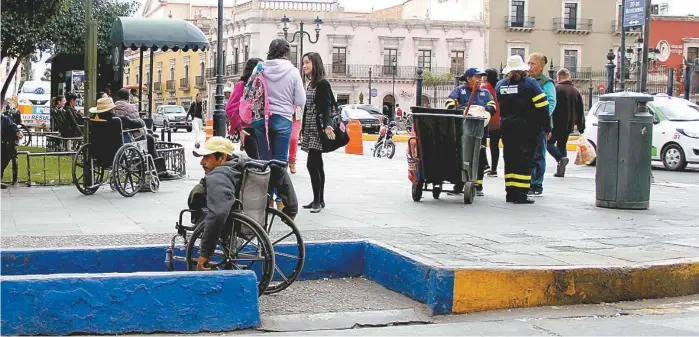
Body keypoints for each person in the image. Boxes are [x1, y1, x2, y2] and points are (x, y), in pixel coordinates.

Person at [190, 136, 298, 271]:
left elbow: (218, 214)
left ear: (222, 157)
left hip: (229, 221)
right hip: (253, 216)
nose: (202, 162)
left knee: (200, 201)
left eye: (207, 157)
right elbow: (278, 169)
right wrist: (291, 209)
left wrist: (205, 253)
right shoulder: (244, 162)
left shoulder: (218, 176)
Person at [495, 55, 551, 204]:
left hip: (507, 128)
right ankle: (521, 194)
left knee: (510, 159)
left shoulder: (501, 85)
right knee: (525, 161)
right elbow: (543, 107)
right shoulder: (530, 84)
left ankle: (511, 192)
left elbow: (497, 106)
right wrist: (547, 127)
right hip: (528, 129)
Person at [445, 67, 496, 196]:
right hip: (462, 129)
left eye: (481, 77)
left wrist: (485, 110)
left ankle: (478, 184)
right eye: (477, 77)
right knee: (460, 155)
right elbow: (449, 102)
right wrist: (459, 109)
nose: (480, 79)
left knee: (478, 155)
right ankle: (459, 183)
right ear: (468, 78)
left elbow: (493, 105)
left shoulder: (484, 92)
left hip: (480, 129)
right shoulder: (459, 90)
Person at [255, 38, 306, 162]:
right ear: (286, 52)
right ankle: (277, 181)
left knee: (263, 159)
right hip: (283, 117)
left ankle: (264, 180)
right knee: (280, 160)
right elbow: (301, 101)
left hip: (261, 118)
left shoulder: (259, 68)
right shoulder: (293, 72)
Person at [299, 52, 335, 213]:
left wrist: (327, 125)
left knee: (312, 164)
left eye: (307, 63)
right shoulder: (312, 84)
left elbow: (327, 105)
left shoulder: (322, 83)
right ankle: (319, 199)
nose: (304, 66)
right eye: (303, 63)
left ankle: (318, 201)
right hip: (310, 128)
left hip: (318, 129)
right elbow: (308, 107)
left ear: (316, 64)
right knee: (317, 164)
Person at [527, 53, 557, 197]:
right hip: (527, 124)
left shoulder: (546, 82)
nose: (529, 67)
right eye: (529, 63)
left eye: (532, 64)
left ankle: (536, 185)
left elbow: (551, 102)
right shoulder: (527, 80)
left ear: (541, 66)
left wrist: (543, 118)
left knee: (538, 156)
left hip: (539, 125)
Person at [549, 68, 585, 178]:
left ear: (558, 77)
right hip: (569, 124)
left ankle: (560, 159)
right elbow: (580, 110)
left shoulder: (556, 89)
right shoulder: (575, 91)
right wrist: (581, 126)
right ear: (568, 77)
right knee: (562, 144)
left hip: (556, 123)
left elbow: (552, 106)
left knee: (548, 143)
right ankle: (561, 169)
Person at [227, 57, 263, 159]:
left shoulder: (261, 85)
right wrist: (240, 128)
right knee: (257, 162)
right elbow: (230, 108)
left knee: (261, 162)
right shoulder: (242, 85)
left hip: (259, 129)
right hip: (248, 130)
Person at [482, 68, 501, 177]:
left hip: (488, 118)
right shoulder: (498, 87)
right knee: (495, 145)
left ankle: (485, 165)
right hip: (499, 119)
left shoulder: (485, 88)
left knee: (482, 143)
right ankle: (494, 168)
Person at [1, 113, 22, 189]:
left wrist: (18, 132)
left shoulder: (5, 119)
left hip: (4, 146)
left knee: (4, 159)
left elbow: (13, 127)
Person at [288, 105, 302, 174]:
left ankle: (292, 161)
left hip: (295, 118)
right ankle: (281, 161)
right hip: (283, 114)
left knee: (294, 139)